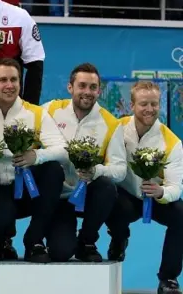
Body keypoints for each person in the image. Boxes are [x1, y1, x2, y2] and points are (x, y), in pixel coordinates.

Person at [0, 58, 67, 263]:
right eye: (3, 80)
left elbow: (63, 149)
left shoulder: (36, 113)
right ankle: (0, 240)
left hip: (29, 189)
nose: (9, 85)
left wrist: (36, 156)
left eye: (14, 79)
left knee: (53, 170)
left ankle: (34, 240)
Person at [42, 63, 126, 262]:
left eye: (93, 87)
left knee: (106, 186)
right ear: (70, 87)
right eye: (82, 86)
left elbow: (120, 170)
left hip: (88, 194)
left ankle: (87, 241)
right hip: (58, 195)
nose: (87, 92)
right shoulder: (50, 110)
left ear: (99, 90)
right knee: (60, 253)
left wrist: (95, 171)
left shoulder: (111, 124)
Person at [106, 80, 183, 294]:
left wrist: (162, 192)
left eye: (154, 104)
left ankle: (168, 279)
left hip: (156, 198)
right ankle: (119, 238)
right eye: (143, 104)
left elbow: (176, 186)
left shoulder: (172, 143)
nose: (149, 109)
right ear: (132, 106)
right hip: (126, 196)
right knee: (107, 196)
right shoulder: (117, 129)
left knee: (181, 215)